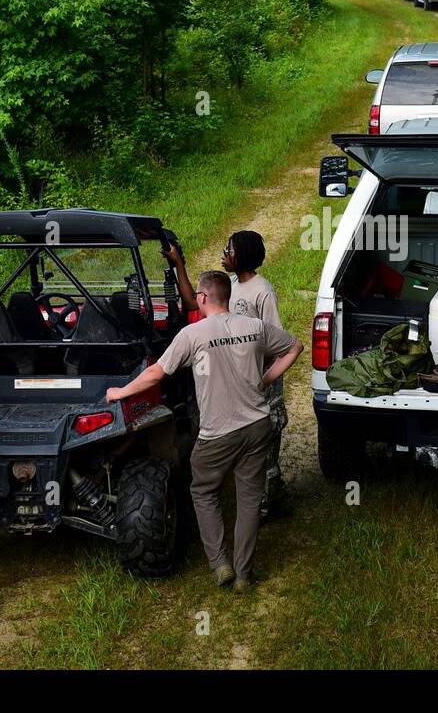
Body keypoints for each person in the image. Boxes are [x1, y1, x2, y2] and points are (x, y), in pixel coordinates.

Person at [107, 270, 303, 591]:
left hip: (218, 434)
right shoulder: (254, 327)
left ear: (201, 299)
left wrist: (120, 392)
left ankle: (220, 563)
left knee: (203, 491)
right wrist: (265, 379)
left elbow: (157, 373)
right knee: (249, 499)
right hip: (256, 426)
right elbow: (295, 347)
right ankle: (244, 574)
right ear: (229, 297)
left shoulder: (192, 334)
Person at [165, 230, 292, 518]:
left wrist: (260, 376)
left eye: (229, 249)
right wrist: (178, 265)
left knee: (265, 446)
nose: (224, 253)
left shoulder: (263, 291)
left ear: (243, 255)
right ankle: (269, 496)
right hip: (238, 379)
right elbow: (191, 303)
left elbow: (275, 342)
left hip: (258, 381)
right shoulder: (230, 286)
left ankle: (264, 508)